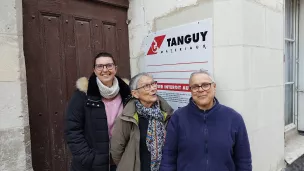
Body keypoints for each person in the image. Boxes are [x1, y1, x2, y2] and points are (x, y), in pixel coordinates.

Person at [160, 70, 252, 171]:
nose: (200, 90)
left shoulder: (234, 118)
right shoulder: (178, 117)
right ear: (190, 90)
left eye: (205, 85)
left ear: (214, 87)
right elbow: (169, 157)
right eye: (195, 87)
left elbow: (243, 160)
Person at [64, 52, 131, 171]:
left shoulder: (127, 93)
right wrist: (88, 158)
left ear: (115, 69)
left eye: (109, 65)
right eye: (100, 66)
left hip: (121, 162)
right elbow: (72, 130)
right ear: (94, 70)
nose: (105, 70)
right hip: (92, 165)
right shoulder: (82, 95)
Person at [110, 73, 174, 171]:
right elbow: (116, 150)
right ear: (135, 94)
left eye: (153, 84)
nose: (153, 88)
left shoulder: (165, 113)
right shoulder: (127, 118)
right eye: (147, 86)